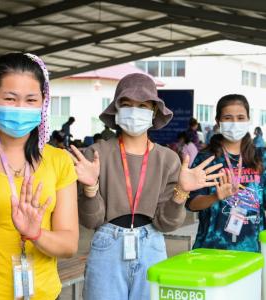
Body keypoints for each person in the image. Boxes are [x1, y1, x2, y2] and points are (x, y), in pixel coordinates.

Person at [70, 73, 223, 300]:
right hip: (106, 246)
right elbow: (91, 220)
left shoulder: (168, 159)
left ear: (153, 112)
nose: (134, 110)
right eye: (126, 104)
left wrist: (181, 193)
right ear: (116, 109)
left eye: (142, 105)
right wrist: (90, 188)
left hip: (152, 243)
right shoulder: (96, 154)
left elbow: (166, 223)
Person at [0, 53, 78, 299]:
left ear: (43, 102)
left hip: (44, 293)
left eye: (30, 100)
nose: (20, 108)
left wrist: (36, 234)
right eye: (10, 98)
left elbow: (69, 245)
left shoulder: (59, 161)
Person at [186, 94, 266, 252]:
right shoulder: (206, 158)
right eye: (228, 118)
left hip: (253, 250)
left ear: (248, 120)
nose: (235, 123)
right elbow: (192, 204)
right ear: (218, 121)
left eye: (241, 117)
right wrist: (215, 197)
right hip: (212, 248)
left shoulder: (261, 157)